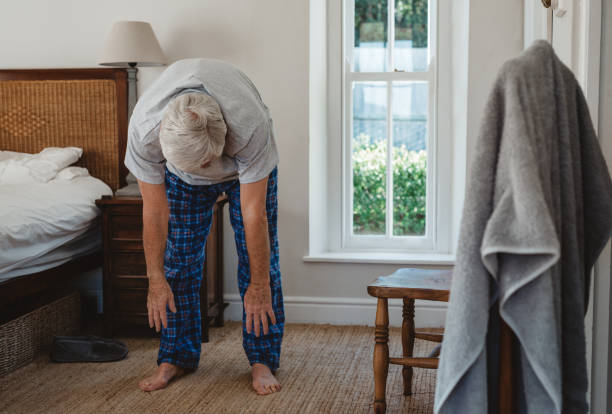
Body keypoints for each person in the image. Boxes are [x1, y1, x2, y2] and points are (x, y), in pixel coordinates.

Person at [124, 58, 284, 395]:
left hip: (244, 173)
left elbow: (254, 215)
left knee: (261, 272)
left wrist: (258, 284)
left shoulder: (249, 126)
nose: (206, 171)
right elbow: (154, 211)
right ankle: (175, 357)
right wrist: (154, 279)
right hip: (181, 180)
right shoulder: (144, 131)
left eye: (208, 163)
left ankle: (262, 359)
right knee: (178, 264)